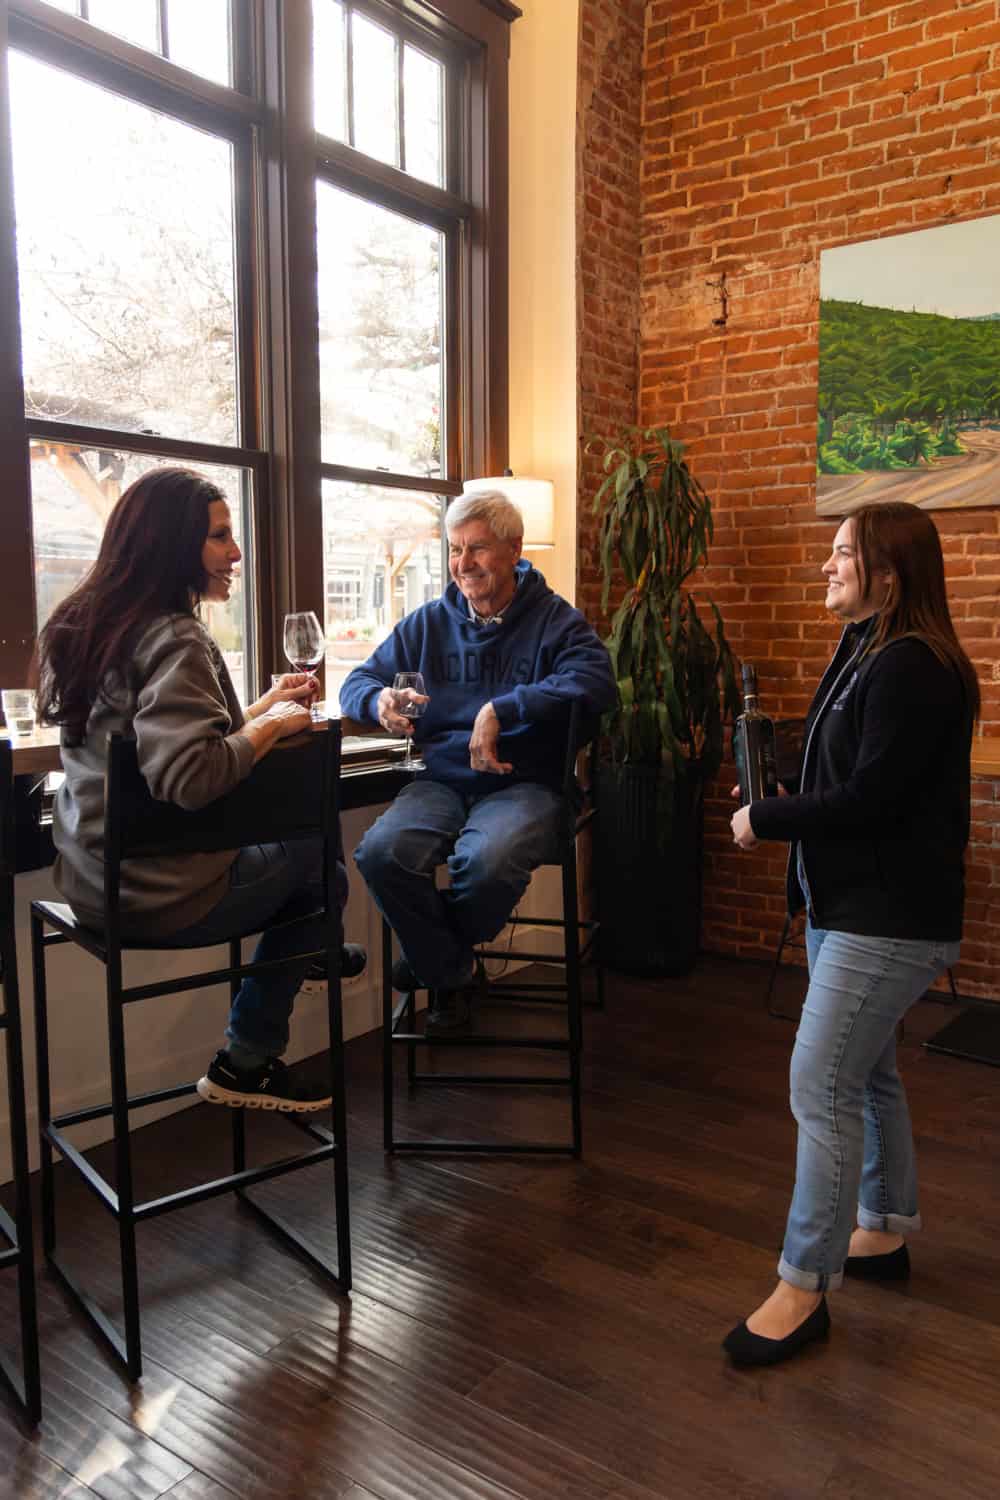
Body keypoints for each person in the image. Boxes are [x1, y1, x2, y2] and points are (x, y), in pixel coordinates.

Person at [725, 501, 977, 1367]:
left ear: (888, 575)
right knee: (866, 1074)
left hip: (889, 917)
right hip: (853, 906)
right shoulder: (871, 647)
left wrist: (769, 818)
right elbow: (851, 768)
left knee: (820, 1080)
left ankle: (804, 1285)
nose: (827, 566)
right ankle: (885, 1226)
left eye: (842, 554)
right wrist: (783, 794)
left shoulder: (911, 666)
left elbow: (872, 799)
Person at [35, 466, 364, 1114]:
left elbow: (166, 743)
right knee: (323, 869)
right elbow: (190, 778)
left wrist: (261, 707)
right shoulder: (176, 636)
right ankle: (249, 1055)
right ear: (171, 544)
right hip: (160, 895)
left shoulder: (85, 623)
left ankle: (311, 955)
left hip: (90, 883)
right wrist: (270, 726)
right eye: (219, 536)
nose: (236, 553)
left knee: (313, 872)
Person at [340, 488, 617, 1028]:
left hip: (527, 785)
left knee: (487, 864)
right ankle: (451, 967)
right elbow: (358, 680)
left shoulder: (555, 621)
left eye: (478, 548)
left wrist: (502, 709)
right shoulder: (427, 623)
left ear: (514, 550)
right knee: (380, 854)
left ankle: (432, 960)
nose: (463, 563)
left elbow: (597, 683)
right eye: (454, 549)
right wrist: (378, 702)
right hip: (440, 782)